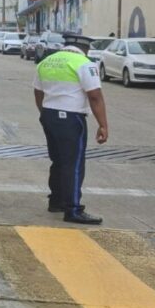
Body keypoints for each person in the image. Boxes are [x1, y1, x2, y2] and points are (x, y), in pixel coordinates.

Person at [33, 33, 109, 225]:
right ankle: (73, 209)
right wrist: (103, 124)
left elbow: (38, 91)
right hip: (71, 117)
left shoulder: (46, 61)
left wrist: (44, 113)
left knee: (58, 160)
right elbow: (94, 96)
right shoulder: (83, 62)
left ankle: (56, 201)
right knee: (73, 164)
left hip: (49, 114)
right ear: (84, 48)